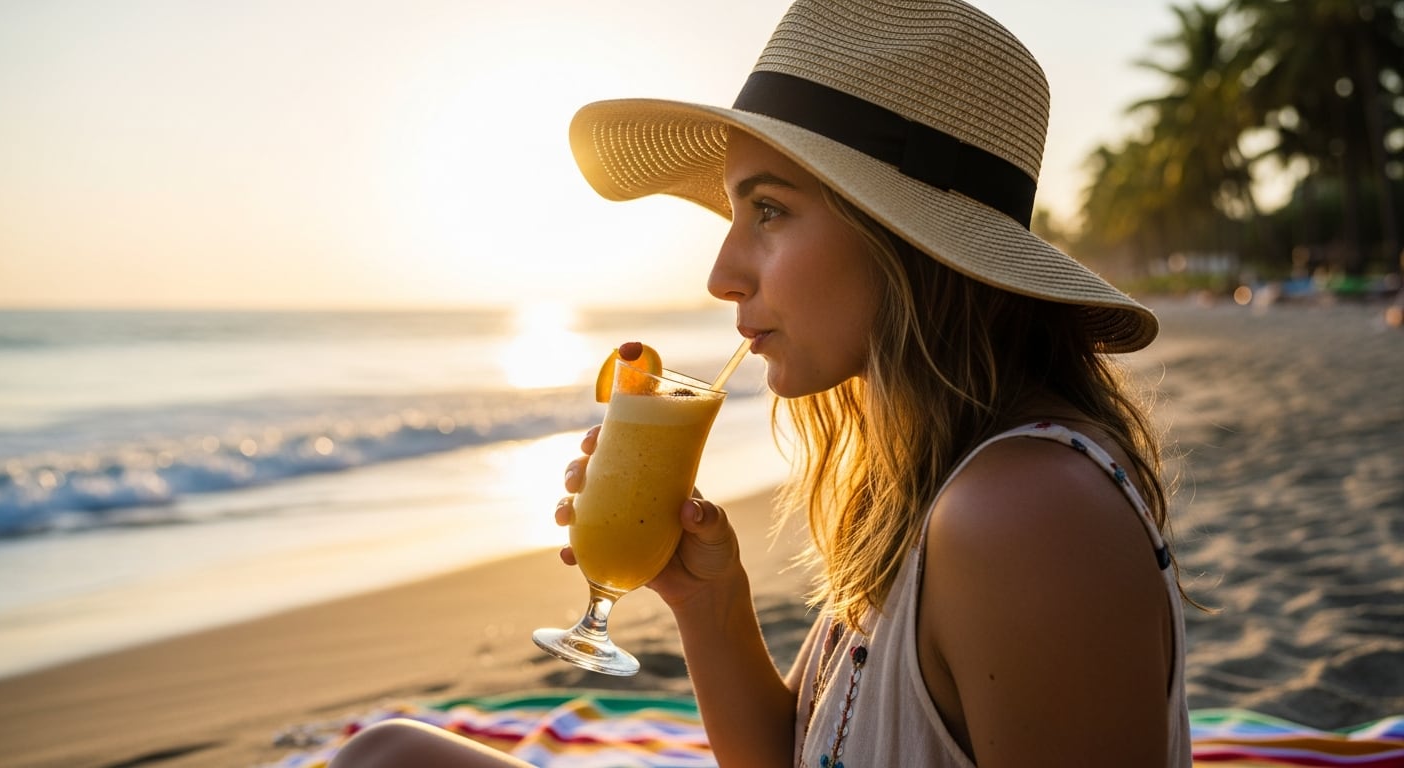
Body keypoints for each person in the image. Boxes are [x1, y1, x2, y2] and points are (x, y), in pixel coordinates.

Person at [330, 0, 1192, 765]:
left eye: (768, 210)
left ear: (906, 240)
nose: (722, 272)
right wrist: (709, 603)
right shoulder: (935, 483)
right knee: (389, 756)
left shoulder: (1027, 519)